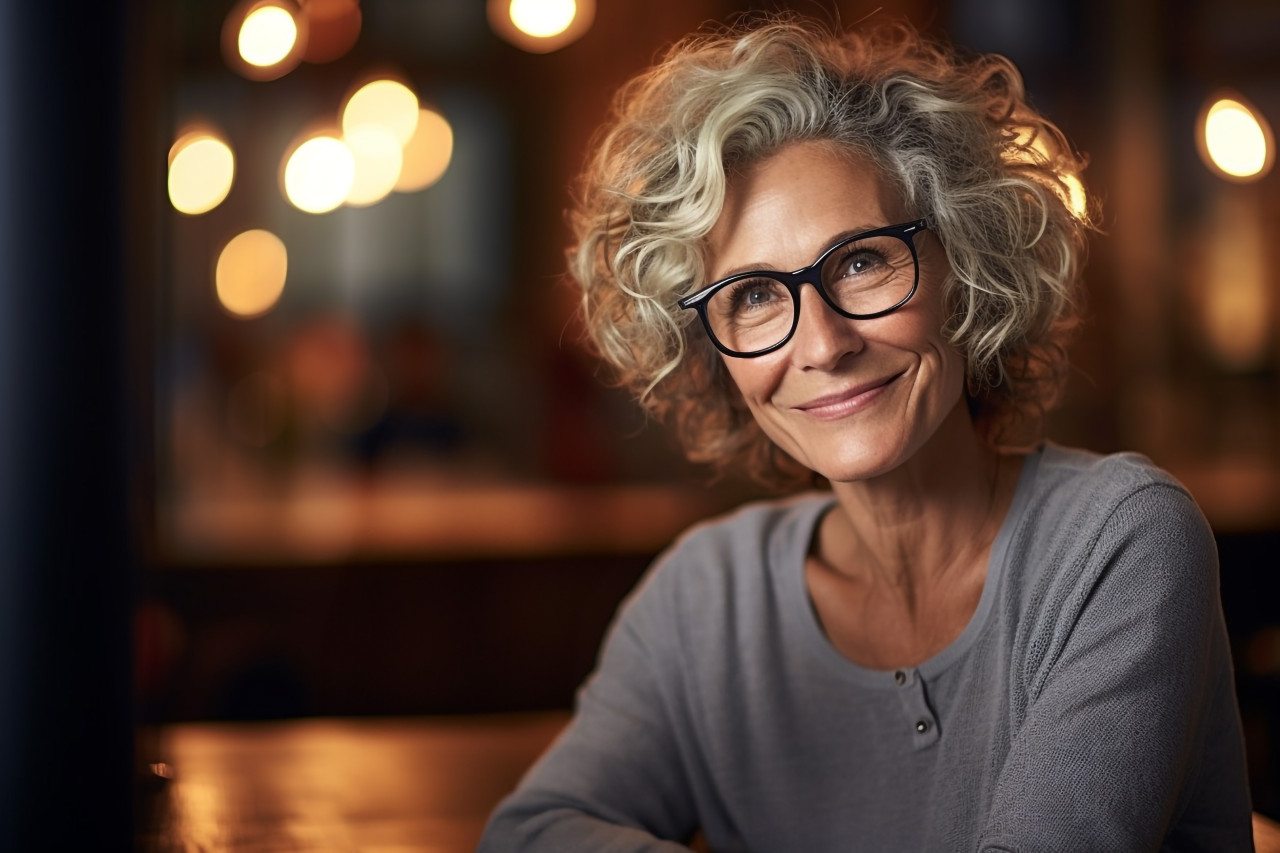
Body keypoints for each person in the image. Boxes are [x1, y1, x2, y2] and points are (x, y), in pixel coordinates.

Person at [478, 14, 1254, 852]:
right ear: (712, 352)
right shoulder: (707, 597)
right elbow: (532, 832)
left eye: (860, 261)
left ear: (965, 268)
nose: (823, 344)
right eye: (753, 296)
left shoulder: (1118, 540)